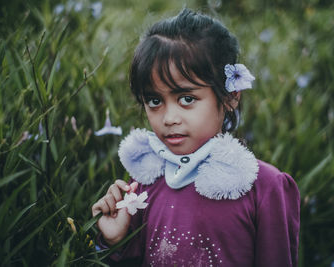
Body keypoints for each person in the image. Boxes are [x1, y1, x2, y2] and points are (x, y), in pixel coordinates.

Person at [92, 8, 300, 267]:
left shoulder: (264, 188)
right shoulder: (143, 184)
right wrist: (113, 242)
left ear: (230, 96)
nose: (169, 118)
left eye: (187, 99)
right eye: (155, 101)